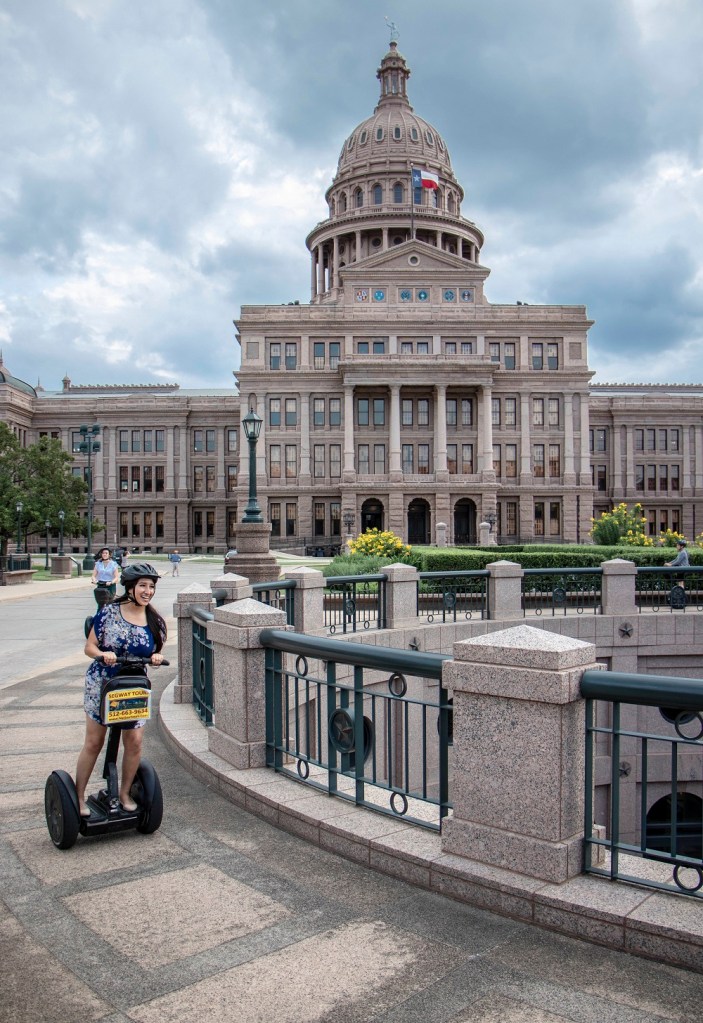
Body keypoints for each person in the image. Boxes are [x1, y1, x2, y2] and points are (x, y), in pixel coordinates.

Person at [75, 563, 167, 817]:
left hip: (134, 686)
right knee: (94, 742)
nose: (147, 591)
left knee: (135, 742)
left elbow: (156, 650)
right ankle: (79, 797)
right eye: (143, 586)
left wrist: (157, 657)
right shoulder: (109, 612)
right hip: (104, 683)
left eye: (151, 587)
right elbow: (89, 647)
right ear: (130, 587)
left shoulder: (155, 620)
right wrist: (103, 653)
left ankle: (124, 792)